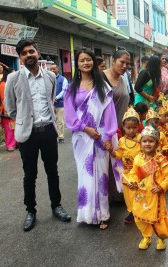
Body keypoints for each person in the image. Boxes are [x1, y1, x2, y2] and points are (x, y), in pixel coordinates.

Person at [5, 39, 71, 231]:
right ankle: (31, 211)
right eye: (24, 53)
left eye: (31, 51)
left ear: (38, 52)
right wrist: (25, 122)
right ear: (20, 57)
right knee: (30, 175)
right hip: (28, 135)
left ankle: (56, 206)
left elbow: (50, 101)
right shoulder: (13, 79)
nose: (28, 55)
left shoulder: (50, 77)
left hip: (48, 131)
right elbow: (11, 108)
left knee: (52, 172)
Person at [64, 48, 122, 230]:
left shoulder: (102, 87)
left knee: (102, 176)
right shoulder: (70, 87)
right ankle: (87, 214)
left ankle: (102, 215)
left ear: (93, 63)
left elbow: (109, 112)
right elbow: (70, 116)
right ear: (77, 64)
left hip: (101, 136)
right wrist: (85, 128)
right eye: (82, 60)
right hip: (82, 137)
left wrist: (109, 134)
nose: (86, 63)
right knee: (85, 175)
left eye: (88, 59)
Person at [128, 125, 168, 250]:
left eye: (151, 141)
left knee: (158, 218)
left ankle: (160, 238)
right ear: (140, 143)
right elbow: (134, 173)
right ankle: (146, 237)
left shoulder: (161, 159)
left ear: (157, 143)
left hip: (156, 196)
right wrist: (133, 182)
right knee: (140, 216)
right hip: (141, 195)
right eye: (145, 141)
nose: (147, 144)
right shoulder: (138, 159)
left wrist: (161, 187)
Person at [106, 107, 141, 224]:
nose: (131, 130)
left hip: (139, 173)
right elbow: (119, 155)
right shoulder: (121, 141)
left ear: (138, 126)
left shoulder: (141, 139)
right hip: (127, 174)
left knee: (139, 193)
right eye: (128, 128)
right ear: (123, 127)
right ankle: (132, 211)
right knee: (129, 196)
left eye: (134, 127)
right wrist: (111, 152)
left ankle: (141, 212)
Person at [102, 50, 131, 129]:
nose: (125, 66)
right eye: (122, 62)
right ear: (113, 61)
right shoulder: (101, 78)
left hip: (121, 127)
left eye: (127, 64)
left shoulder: (124, 80)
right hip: (104, 128)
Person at [0, 68, 16, 151]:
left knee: (14, 127)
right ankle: (10, 145)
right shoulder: (3, 85)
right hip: (6, 110)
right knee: (9, 129)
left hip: (13, 109)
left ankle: (15, 143)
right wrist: (6, 110)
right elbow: (3, 98)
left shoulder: (10, 84)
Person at [50, 64, 68, 143]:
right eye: (51, 69)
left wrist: (56, 98)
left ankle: (60, 137)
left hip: (60, 104)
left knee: (60, 121)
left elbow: (64, 90)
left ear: (58, 69)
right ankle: (53, 136)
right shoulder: (48, 79)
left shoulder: (63, 79)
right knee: (51, 121)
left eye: (54, 69)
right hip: (50, 104)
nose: (52, 71)